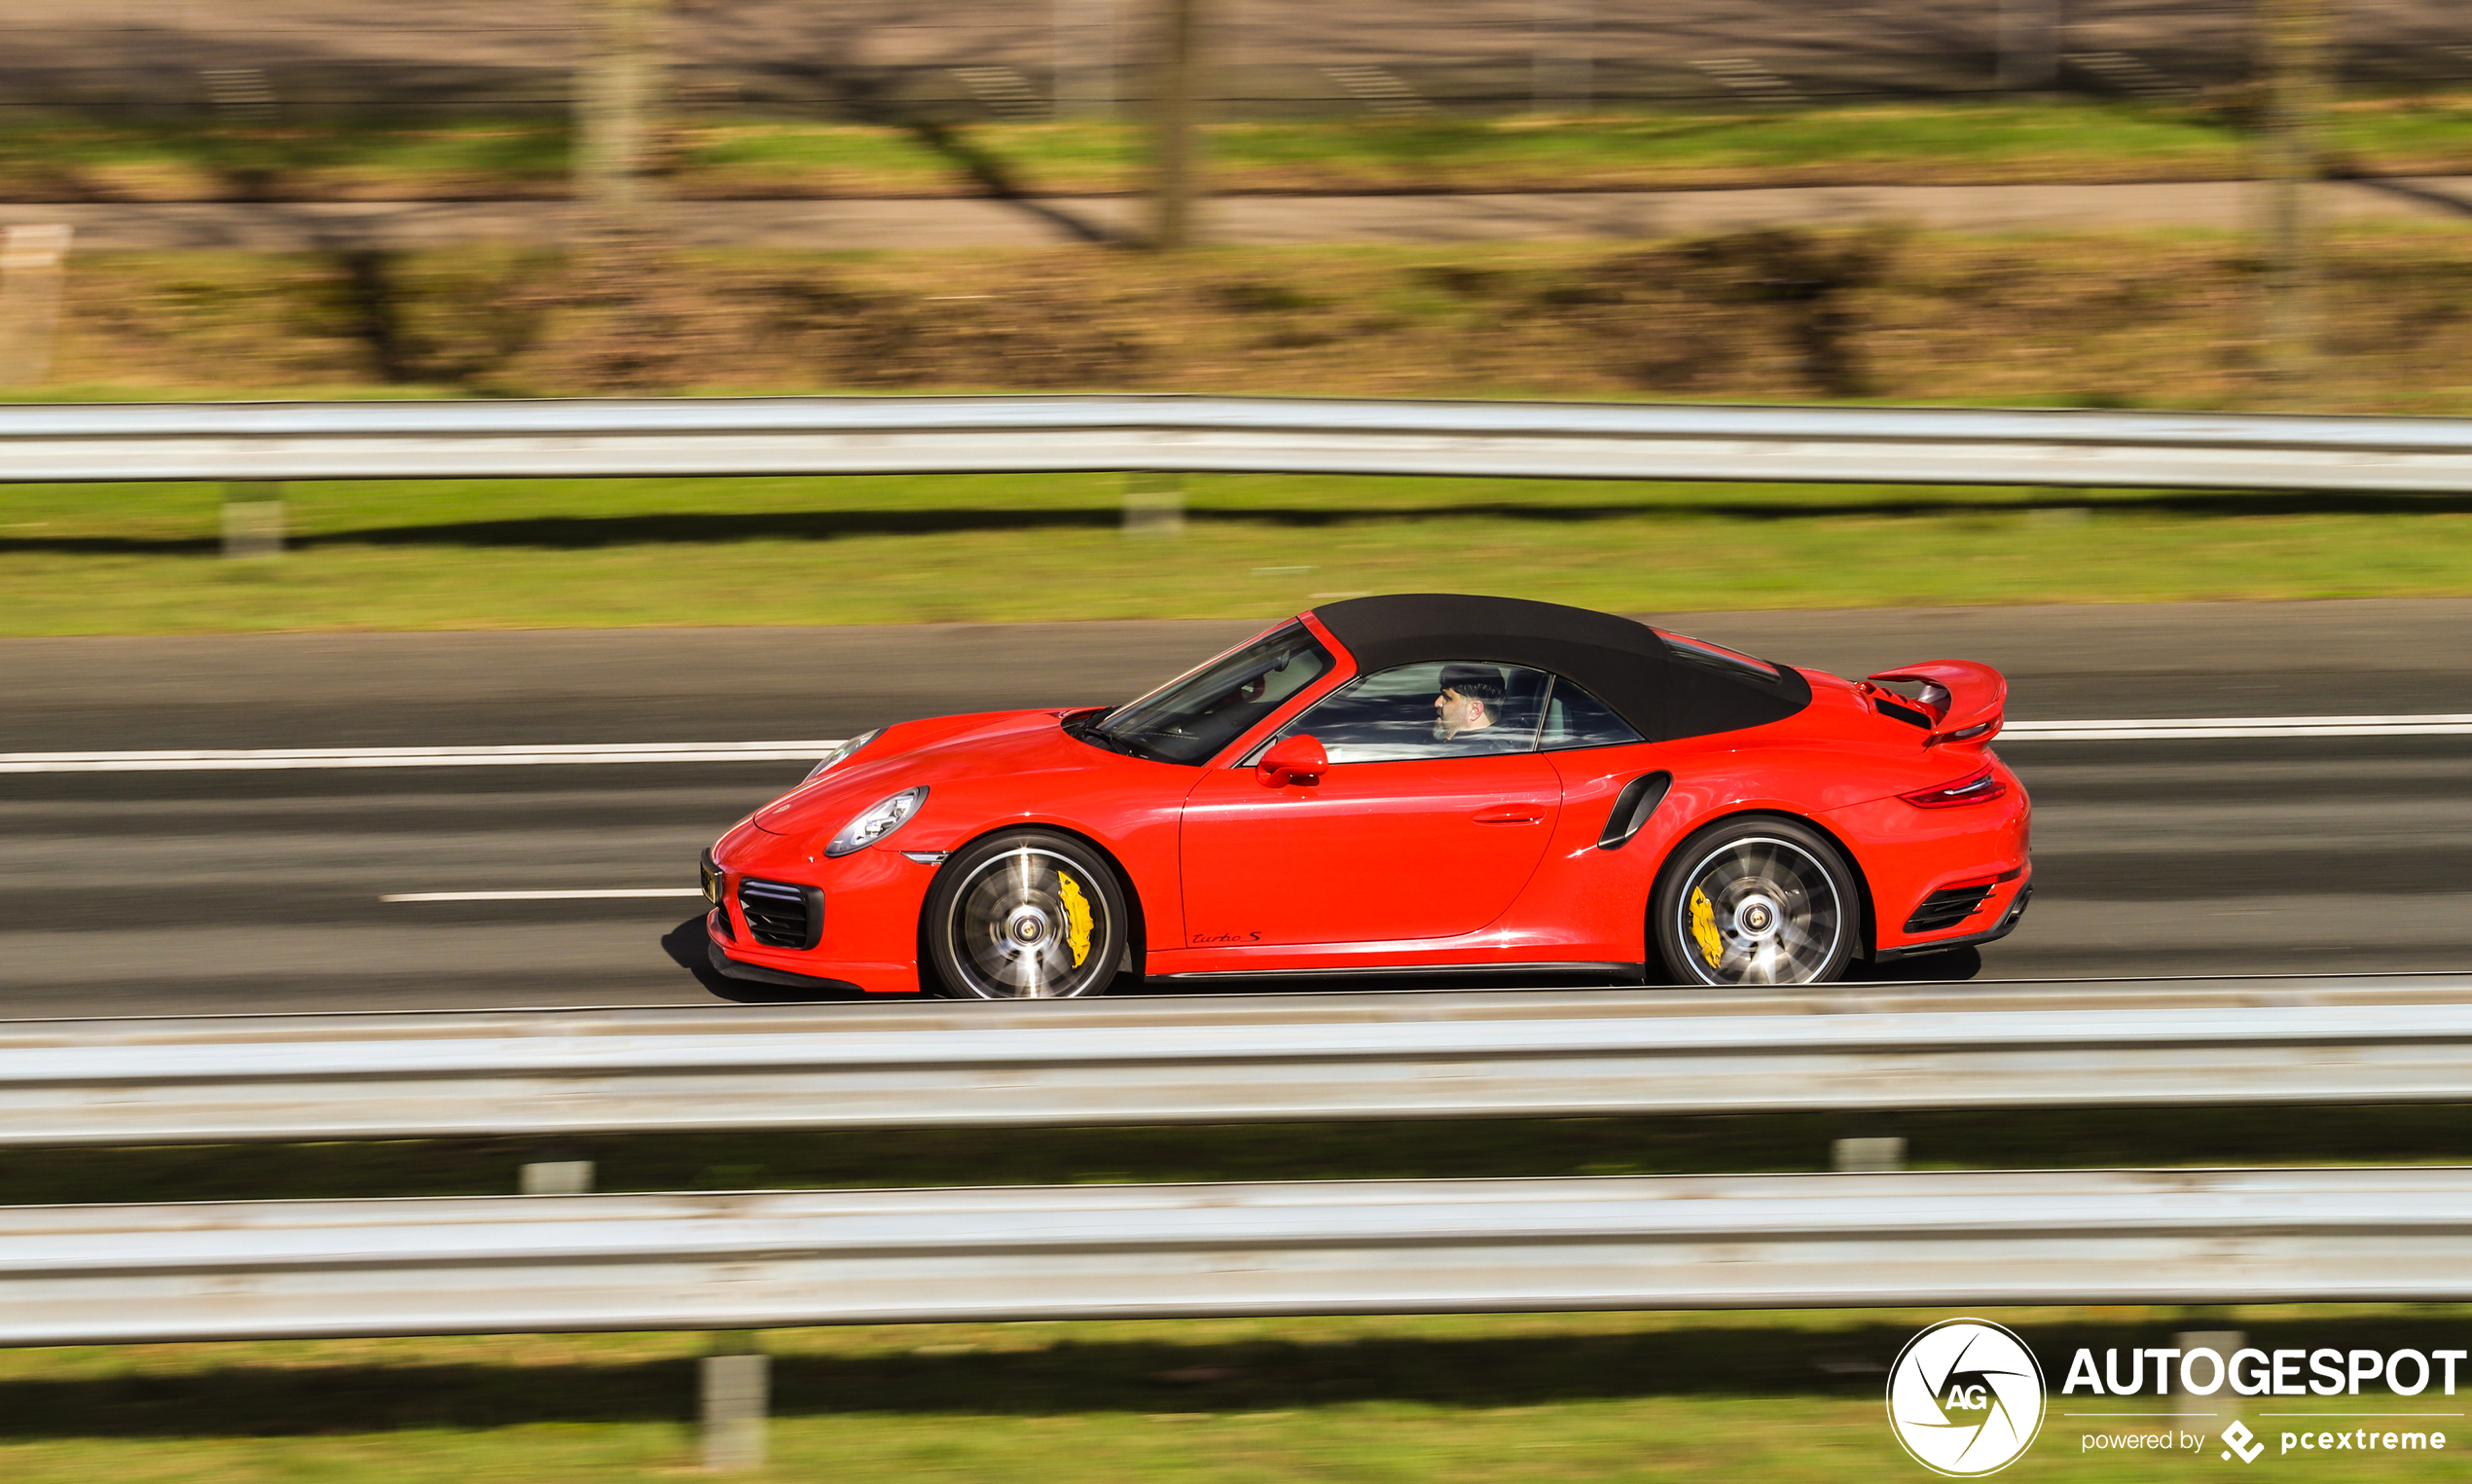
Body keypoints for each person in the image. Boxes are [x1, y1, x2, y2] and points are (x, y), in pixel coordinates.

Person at [1433, 664, 1507, 742]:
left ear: (1474, 710)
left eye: (1447, 698)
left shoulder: (1463, 752)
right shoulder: (1506, 743)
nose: (1437, 703)